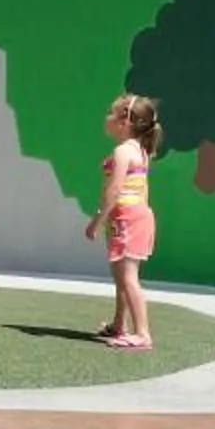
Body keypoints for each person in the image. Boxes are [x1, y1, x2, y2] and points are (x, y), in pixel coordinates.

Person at [86, 92, 162, 349]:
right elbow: (141, 189)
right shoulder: (140, 151)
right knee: (122, 276)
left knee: (128, 277)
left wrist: (97, 219)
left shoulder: (122, 152)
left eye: (111, 112)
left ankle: (142, 334)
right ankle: (120, 324)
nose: (106, 117)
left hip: (128, 220)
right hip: (134, 217)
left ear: (125, 121)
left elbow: (113, 190)